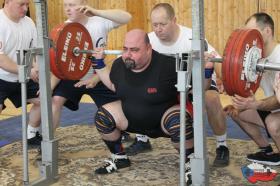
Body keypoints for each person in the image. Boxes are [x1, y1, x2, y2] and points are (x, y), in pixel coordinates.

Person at [89, 28, 214, 186]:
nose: (128, 54)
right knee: (102, 116)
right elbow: (114, 86)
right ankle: (119, 157)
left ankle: (189, 161)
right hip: (131, 118)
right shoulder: (120, 65)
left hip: (163, 120)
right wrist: (99, 64)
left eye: (134, 50)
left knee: (179, 121)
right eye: (125, 49)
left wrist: (207, 70)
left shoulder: (168, 67)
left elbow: (200, 88)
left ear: (149, 49)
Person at [125, 3, 229, 167]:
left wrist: (224, 79)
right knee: (137, 90)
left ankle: (222, 146)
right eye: (155, 25)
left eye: (163, 24)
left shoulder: (192, 37)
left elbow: (215, 58)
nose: (158, 29)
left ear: (174, 20)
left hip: (197, 82)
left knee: (211, 99)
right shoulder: (149, 40)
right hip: (170, 85)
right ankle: (142, 139)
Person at [28, 0, 132, 144]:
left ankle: (123, 131)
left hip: (98, 75)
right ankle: (47, 142)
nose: (68, 9)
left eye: (72, 5)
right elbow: (60, 65)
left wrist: (96, 12)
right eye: (65, 6)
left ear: (84, 4)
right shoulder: (64, 30)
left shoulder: (99, 21)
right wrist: (49, 87)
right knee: (55, 100)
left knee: (121, 102)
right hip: (72, 76)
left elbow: (127, 17)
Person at [224, 12, 280, 166]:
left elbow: (279, 100)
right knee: (236, 111)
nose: (249, 36)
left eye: (253, 31)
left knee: (273, 124)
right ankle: (267, 151)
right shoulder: (254, 58)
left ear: (267, 31)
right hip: (271, 108)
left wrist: (256, 104)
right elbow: (233, 71)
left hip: (277, 110)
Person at [0, 0, 42, 147]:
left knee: (45, 99)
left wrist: (36, 69)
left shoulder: (29, 22)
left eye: (27, 4)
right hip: (1, 77)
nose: (26, 8)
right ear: (7, 2)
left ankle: (31, 134)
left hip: (24, 75)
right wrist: (27, 70)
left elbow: (34, 51)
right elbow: (1, 59)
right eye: (21, 4)